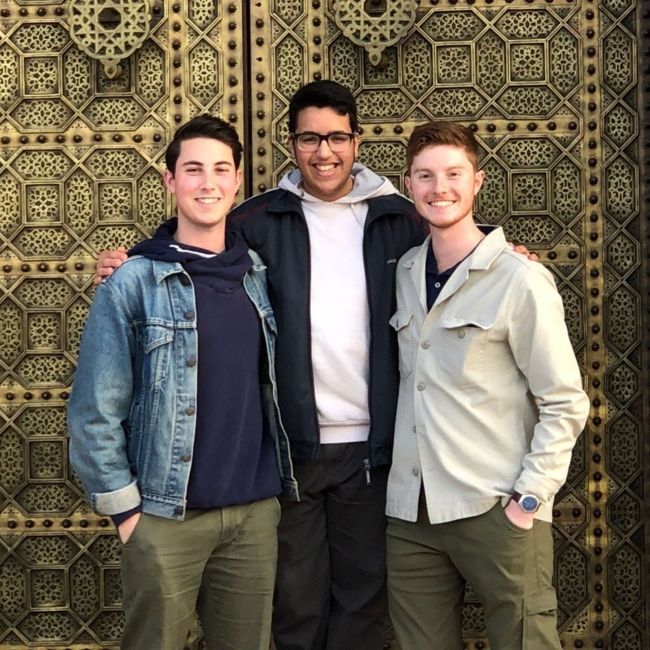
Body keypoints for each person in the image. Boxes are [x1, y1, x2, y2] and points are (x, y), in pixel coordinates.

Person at [68, 114, 297, 650]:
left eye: (220, 169)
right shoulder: (133, 281)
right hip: (165, 515)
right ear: (170, 180)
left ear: (238, 181)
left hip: (252, 514)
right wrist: (127, 513)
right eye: (193, 169)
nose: (208, 182)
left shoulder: (256, 273)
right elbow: (94, 409)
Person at [385, 121, 590, 649]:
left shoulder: (519, 279)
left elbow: (564, 400)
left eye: (453, 174)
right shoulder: (405, 270)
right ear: (409, 185)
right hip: (412, 514)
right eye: (426, 176)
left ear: (477, 181)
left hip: (495, 508)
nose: (440, 188)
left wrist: (529, 499)